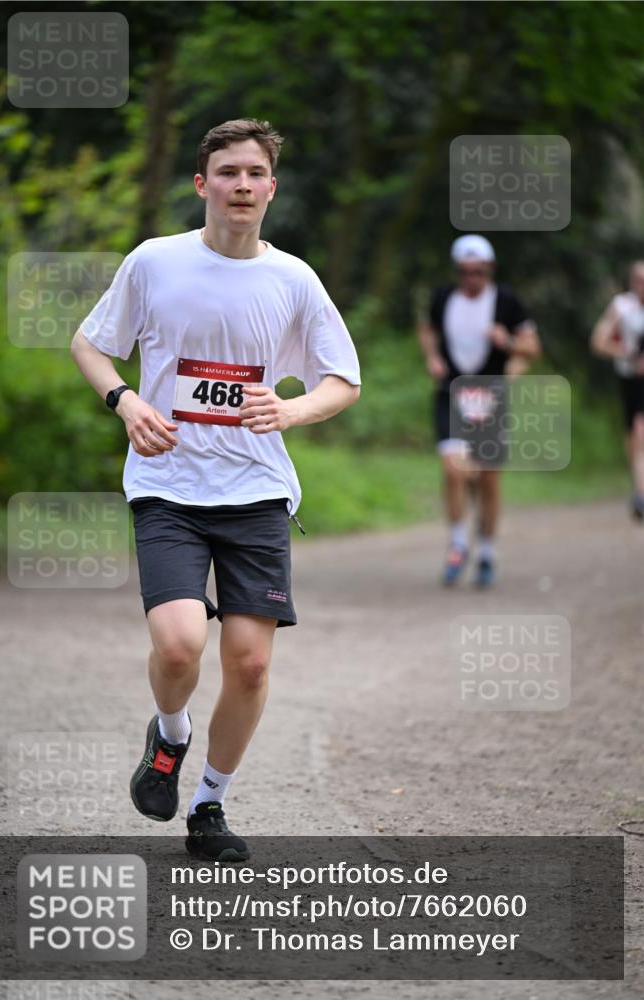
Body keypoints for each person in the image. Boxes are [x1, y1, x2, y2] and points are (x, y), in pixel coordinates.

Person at [70, 118, 361, 861]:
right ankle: (169, 738)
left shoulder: (293, 279)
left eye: (253, 174)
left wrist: (291, 408)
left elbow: (342, 378)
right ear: (202, 185)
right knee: (176, 649)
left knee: (250, 663)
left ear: (271, 186)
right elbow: (89, 342)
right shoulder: (154, 263)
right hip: (167, 486)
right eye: (226, 172)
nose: (240, 185)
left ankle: (209, 807)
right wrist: (125, 401)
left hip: (256, 491)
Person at [417, 235, 541, 587]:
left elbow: (532, 348)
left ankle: (486, 550)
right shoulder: (443, 298)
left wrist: (509, 342)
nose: (473, 279)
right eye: (465, 272)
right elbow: (426, 328)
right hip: (451, 395)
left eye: (480, 272)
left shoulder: (506, 301)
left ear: (491, 271)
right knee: (454, 470)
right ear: (457, 272)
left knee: (488, 478)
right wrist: (433, 357)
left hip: (489, 398)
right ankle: (458, 543)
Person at [590, 261, 644, 521]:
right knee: (636, 433)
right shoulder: (622, 307)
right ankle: (639, 488)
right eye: (639, 280)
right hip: (631, 380)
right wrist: (627, 355)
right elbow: (598, 342)